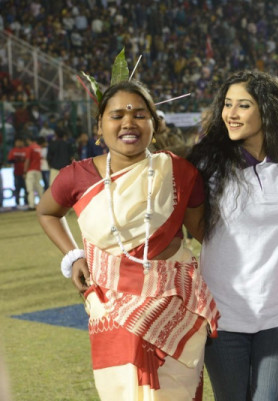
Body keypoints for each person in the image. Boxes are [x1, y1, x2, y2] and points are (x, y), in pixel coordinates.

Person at [36, 79, 219, 400]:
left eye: (139, 114)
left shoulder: (179, 171)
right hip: (110, 309)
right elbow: (47, 212)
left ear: (154, 123)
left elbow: (206, 232)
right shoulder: (77, 177)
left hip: (174, 306)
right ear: (100, 126)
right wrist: (73, 256)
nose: (128, 123)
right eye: (117, 115)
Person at [187, 70, 278, 401]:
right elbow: (196, 229)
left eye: (243, 105)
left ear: (266, 109)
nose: (231, 114)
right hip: (223, 316)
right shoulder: (205, 163)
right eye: (227, 104)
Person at [24, 135, 44, 210]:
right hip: (38, 170)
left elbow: (27, 160)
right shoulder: (39, 148)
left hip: (31, 170)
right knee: (39, 188)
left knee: (30, 189)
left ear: (29, 140)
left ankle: (31, 205)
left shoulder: (30, 148)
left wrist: (25, 171)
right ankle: (43, 205)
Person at [7, 138, 27, 208]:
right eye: (17, 142)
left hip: (25, 173)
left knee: (26, 188)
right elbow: (9, 160)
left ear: (22, 142)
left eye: (19, 142)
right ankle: (17, 203)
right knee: (17, 188)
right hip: (17, 172)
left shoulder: (26, 150)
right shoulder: (13, 150)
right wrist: (16, 160)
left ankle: (26, 203)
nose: (18, 143)